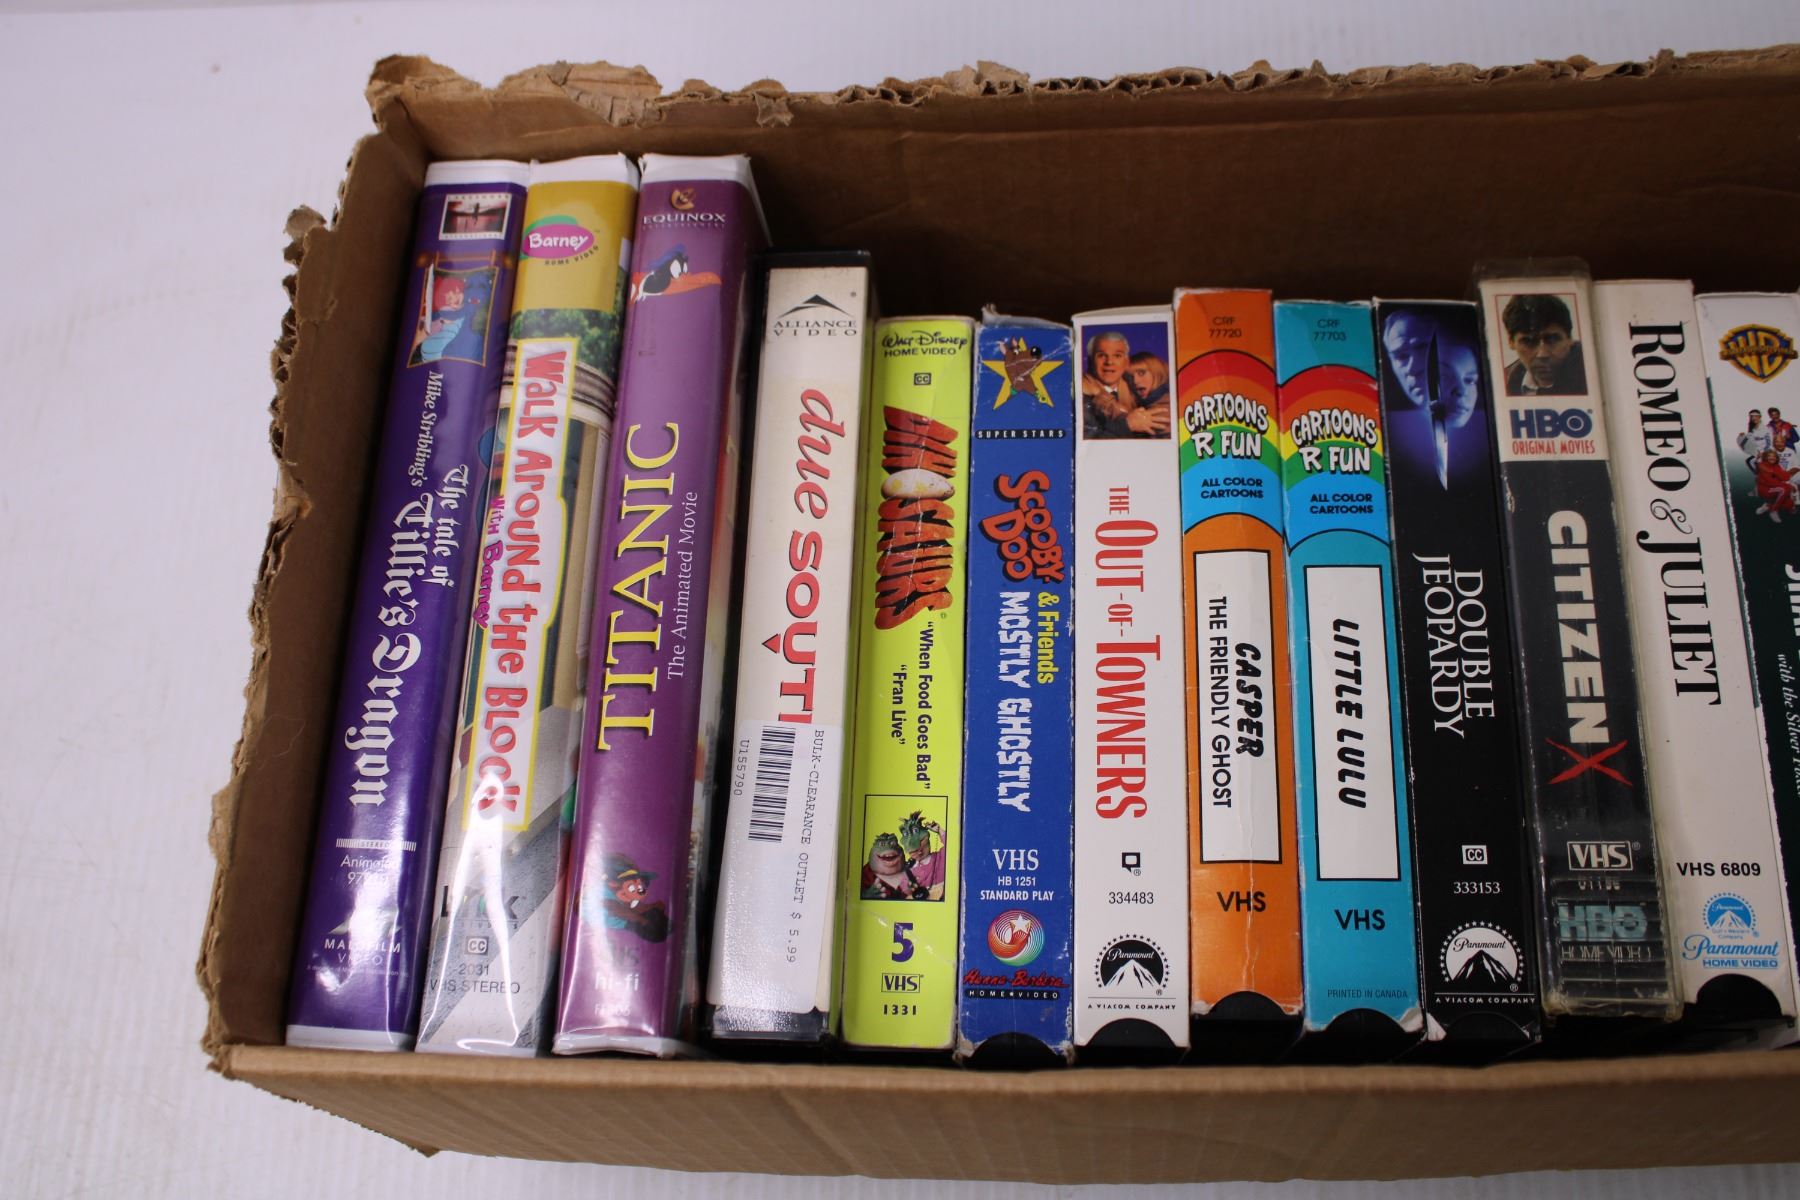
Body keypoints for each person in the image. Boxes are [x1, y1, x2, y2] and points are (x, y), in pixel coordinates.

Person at [1083, 331, 1168, 438]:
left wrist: (1099, 394)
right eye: (1102, 355)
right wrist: (1126, 426)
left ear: (1126, 362)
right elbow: (1087, 443)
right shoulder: (1080, 394)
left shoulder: (1140, 391)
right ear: (1090, 361)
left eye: (1117, 356)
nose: (1109, 362)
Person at [1500, 294, 1586, 396]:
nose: (1542, 354)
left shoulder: (1590, 374)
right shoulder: (1502, 383)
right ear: (1511, 341)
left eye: (1552, 339)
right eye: (1528, 342)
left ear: (1569, 338)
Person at [1755, 448, 1799, 524]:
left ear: (1776, 458)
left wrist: (1790, 473)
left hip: (1775, 488)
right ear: (1766, 457)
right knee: (1785, 488)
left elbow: (1785, 477)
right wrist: (1785, 483)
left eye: (1774, 456)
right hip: (1765, 489)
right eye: (1769, 456)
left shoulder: (1776, 466)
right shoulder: (1762, 465)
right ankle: (1773, 510)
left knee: (1789, 505)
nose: (1772, 458)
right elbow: (1770, 482)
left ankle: (1768, 506)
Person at [1739, 409, 1773, 473]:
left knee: (1751, 461)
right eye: (1752, 416)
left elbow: (1770, 443)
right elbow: (1746, 442)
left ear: (1760, 417)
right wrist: (1742, 436)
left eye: (1756, 416)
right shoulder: (1752, 430)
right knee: (1750, 461)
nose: (1754, 418)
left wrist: (1763, 453)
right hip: (1757, 452)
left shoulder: (1766, 429)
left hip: (1766, 452)